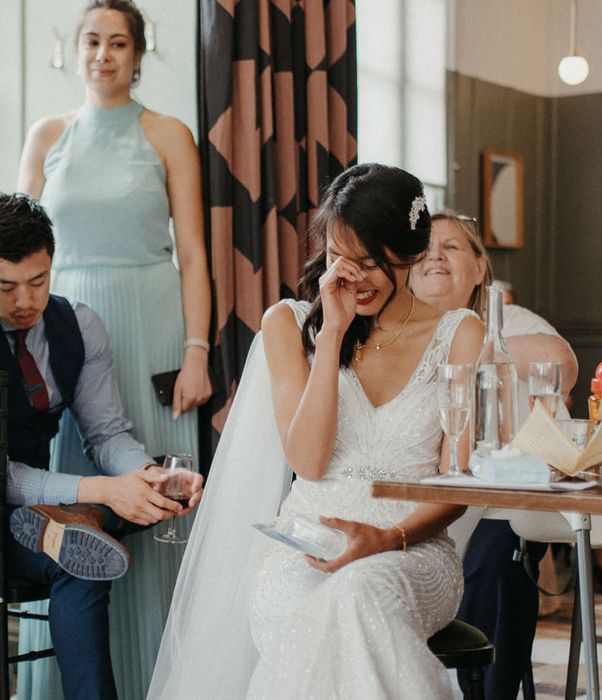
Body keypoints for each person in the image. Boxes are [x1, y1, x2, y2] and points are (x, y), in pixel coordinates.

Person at [147, 163, 485, 698]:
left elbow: (457, 483)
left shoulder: (459, 334)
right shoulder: (289, 324)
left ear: (412, 253)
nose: (351, 277)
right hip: (303, 549)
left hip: (410, 551)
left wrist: (385, 539)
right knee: (320, 602)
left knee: (358, 591)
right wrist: (331, 337)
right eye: (337, 258)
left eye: (370, 263)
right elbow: (307, 461)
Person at [15, 2, 211, 697]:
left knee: (147, 479)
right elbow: (19, 239)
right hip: (56, 329)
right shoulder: (48, 134)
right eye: (92, 40)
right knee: (71, 489)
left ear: (137, 53)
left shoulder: (167, 133)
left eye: (118, 42)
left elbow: (191, 249)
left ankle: (159, 672)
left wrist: (196, 351)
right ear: (75, 50)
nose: (104, 53)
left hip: (148, 321)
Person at [0, 192, 203, 700]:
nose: (24, 301)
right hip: (9, 498)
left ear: (52, 264)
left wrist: (144, 477)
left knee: (84, 559)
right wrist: (104, 492)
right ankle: (77, 519)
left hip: (34, 514)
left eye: (38, 281)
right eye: (4, 287)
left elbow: (107, 434)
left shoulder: (79, 325)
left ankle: (74, 523)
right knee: (90, 531)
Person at [410, 209, 579, 699]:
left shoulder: (506, 317)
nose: (435, 255)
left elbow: (560, 364)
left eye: (452, 246)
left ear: (481, 266)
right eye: (423, 249)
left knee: (498, 557)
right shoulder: (389, 329)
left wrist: (457, 337)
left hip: (506, 497)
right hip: (425, 489)